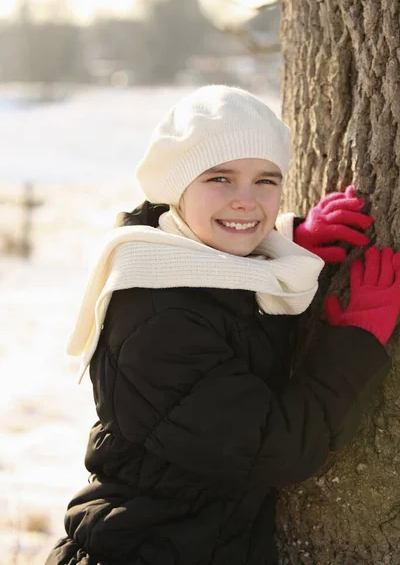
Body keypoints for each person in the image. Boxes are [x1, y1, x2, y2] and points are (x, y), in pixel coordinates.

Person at [45, 85, 400, 565]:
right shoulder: (159, 319)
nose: (246, 202)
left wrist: (287, 249)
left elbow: (230, 315)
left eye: (266, 181)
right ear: (178, 188)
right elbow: (277, 446)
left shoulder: (185, 260)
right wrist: (354, 344)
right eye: (220, 178)